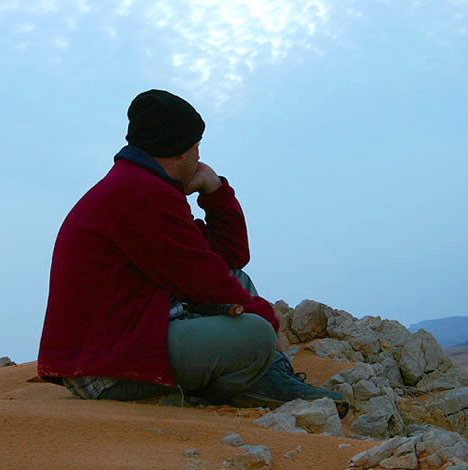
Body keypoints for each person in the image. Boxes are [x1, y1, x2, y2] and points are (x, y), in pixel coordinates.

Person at [38, 89, 348, 416]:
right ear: (183, 151)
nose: (200, 155)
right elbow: (203, 279)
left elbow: (229, 257)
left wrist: (214, 190)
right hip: (105, 369)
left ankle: (265, 376)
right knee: (256, 335)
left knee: (237, 280)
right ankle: (256, 380)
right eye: (197, 145)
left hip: (123, 343)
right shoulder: (141, 195)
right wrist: (269, 322)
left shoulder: (140, 185)